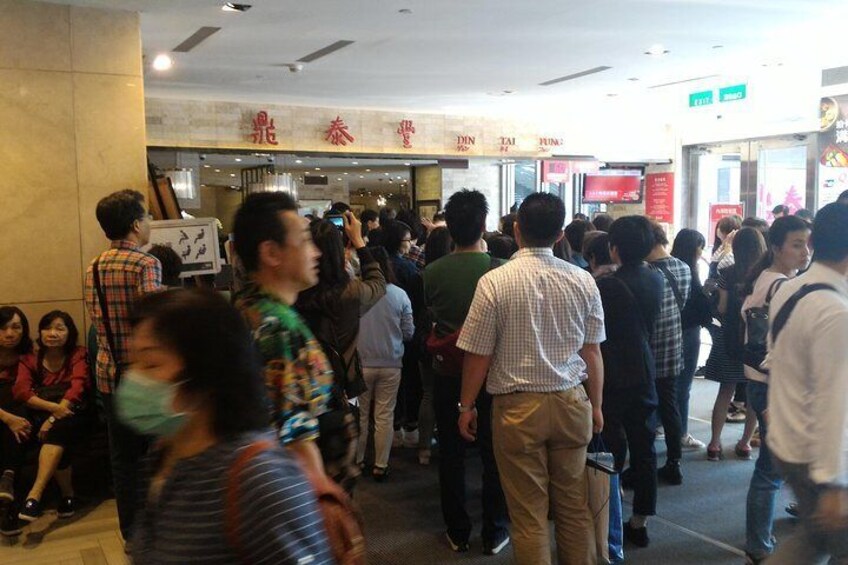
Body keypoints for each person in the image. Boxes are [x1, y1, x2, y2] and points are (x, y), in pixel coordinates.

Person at [122, 289, 332, 564]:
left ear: (205, 370)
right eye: (132, 362)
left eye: (150, 363)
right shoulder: (163, 456)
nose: (133, 378)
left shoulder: (261, 481)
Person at [457, 192, 604, 565]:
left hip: (517, 408)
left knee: (529, 516)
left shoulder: (494, 282)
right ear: (559, 235)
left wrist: (466, 405)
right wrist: (597, 405)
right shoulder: (584, 281)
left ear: (517, 230)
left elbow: (478, 353)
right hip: (572, 401)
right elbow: (593, 352)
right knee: (573, 507)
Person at [424, 189, 509, 555]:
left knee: (452, 453)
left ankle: (457, 530)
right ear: (484, 226)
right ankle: (495, 530)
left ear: (449, 229)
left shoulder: (431, 272)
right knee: (494, 454)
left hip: (448, 372)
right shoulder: (502, 269)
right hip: (492, 372)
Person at [232, 193, 335, 488]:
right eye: (305, 240)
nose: (316, 253)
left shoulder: (245, 305)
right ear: (271, 253)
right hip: (283, 486)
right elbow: (295, 435)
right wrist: (324, 497)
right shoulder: (280, 328)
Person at [766, 203, 848, 564]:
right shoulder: (835, 312)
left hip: (790, 440)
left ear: (812, 242)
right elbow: (835, 400)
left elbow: (778, 359)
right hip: (817, 453)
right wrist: (834, 483)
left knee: (815, 542)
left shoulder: (791, 288)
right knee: (821, 542)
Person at [84, 189, 162, 542]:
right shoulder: (147, 264)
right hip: (144, 378)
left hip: (108, 374)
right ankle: (159, 528)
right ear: (135, 225)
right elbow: (151, 319)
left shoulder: (94, 267)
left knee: (122, 457)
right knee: (158, 452)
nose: (149, 223)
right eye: (146, 217)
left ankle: (130, 532)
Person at [295, 212, 387, 487]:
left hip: (301, 393)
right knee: (338, 478)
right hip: (341, 390)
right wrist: (359, 241)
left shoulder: (292, 294)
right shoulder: (351, 293)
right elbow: (378, 283)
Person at [741, 216, 811, 563]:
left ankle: (760, 539)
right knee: (769, 472)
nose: (804, 252)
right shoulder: (781, 285)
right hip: (772, 385)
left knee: (770, 469)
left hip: (759, 381)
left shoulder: (764, 278)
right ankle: (758, 543)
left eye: (807, 244)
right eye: (797, 244)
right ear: (776, 247)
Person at [597, 216, 663, 547]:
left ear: (614, 248)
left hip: (613, 373)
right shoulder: (656, 280)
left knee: (609, 447)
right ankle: (641, 521)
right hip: (645, 371)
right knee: (645, 447)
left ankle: (610, 518)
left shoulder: (607, 285)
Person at [14, 311, 89, 521]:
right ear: (40, 332)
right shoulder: (30, 359)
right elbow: (21, 392)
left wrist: (54, 417)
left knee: (58, 430)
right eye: (47, 328)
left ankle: (35, 494)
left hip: (77, 414)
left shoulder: (78, 354)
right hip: (46, 416)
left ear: (70, 333)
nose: (52, 333)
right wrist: (53, 410)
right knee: (57, 435)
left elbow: (77, 389)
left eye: (59, 328)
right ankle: (68, 495)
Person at [704, 227, 765, 461]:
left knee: (725, 391)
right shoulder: (765, 275)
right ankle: (745, 443)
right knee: (752, 395)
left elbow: (720, 308)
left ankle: (714, 444)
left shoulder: (727, 273)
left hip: (729, 339)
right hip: (756, 344)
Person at [355, 248, 413, 479]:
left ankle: (358, 461)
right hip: (391, 362)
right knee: (384, 415)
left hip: (361, 363)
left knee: (360, 414)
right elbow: (408, 332)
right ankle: (380, 465)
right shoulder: (400, 295)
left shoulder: (357, 292)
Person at [646, 221, 691, 485]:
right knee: (670, 405)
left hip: (648, 350)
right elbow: (681, 305)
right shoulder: (683, 267)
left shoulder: (647, 272)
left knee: (645, 410)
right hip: (673, 347)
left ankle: (645, 461)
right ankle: (674, 460)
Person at [382, 220, 425, 448]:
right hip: (405, 334)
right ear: (400, 243)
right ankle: (410, 426)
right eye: (408, 240)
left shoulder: (376, 265)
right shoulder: (408, 269)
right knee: (410, 380)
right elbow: (418, 305)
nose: (411, 244)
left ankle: (393, 426)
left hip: (380, 336)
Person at [670, 228, 712, 450]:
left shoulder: (667, 267)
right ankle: (681, 433)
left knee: (666, 384)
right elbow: (702, 309)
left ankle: (663, 425)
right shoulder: (689, 271)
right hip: (688, 332)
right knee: (683, 385)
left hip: (668, 331)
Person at [0, 307, 34, 536]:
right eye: (3, 328)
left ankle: (7, 499)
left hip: (19, 419)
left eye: (16, 327)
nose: (10, 333)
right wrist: (8, 418)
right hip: (5, 417)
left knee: (20, 420)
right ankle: (8, 481)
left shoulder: (30, 355)